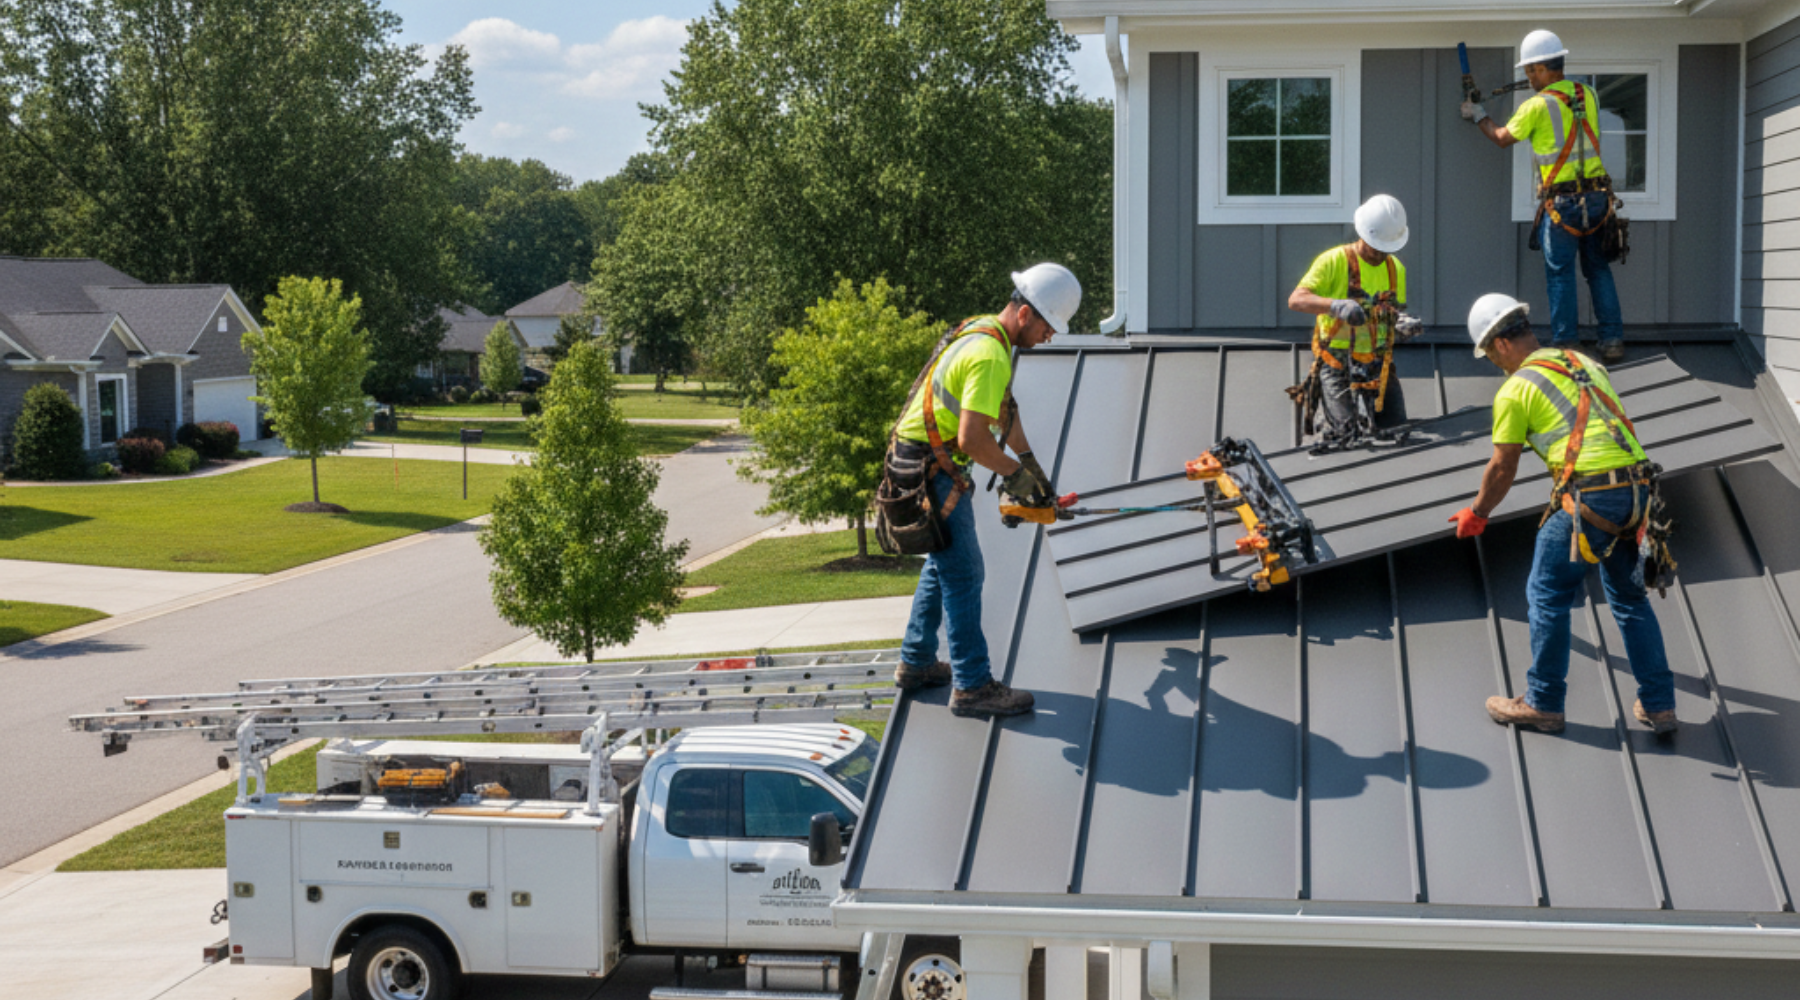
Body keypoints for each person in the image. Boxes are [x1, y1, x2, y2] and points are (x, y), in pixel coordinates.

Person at [1448, 293, 1677, 737]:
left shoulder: (1515, 389)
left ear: (1498, 345)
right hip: (1637, 492)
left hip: (1591, 498)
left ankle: (1543, 702)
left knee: (1547, 594)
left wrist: (1478, 512)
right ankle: (1659, 705)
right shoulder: (1583, 363)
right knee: (1630, 600)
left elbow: (1502, 466)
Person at [889, 263, 1081, 719]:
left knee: (944, 564)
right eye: (1049, 328)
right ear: (1026, 313)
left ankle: (915, 663)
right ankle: (972, 686)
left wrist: (1032, 467)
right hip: (930, 470)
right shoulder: (991, 354)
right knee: (966, 574)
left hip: (916, 462)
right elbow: (972, 440)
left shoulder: (980, 331)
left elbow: (1002, 412)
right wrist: (1016, 477)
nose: (1049, 338)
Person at [1462, 29, 1626, 363]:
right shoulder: (1589, 94)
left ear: (1540, 69)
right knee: (1597, 269)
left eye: (1530, 71)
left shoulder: (1536, 106)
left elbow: (1502, 137)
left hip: (1562, 204)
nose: (1528, 77)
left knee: (1561, 273)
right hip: (1598, 199)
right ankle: (1611, 341)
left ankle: (1567, 344)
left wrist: (1478, 114)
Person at [1287, 194, 1420, 444]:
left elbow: (1391, 311)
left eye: (1386, 249)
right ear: (1364, 234)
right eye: (1377, 247)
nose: (1382, 254)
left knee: (1397, 431)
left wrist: (1400, 323)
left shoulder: (1395, 269)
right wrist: (1334, 306)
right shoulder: (1335, 261)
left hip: (1377, 361)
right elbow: (1296, 300)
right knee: (1344, 438)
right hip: (1336, 361)